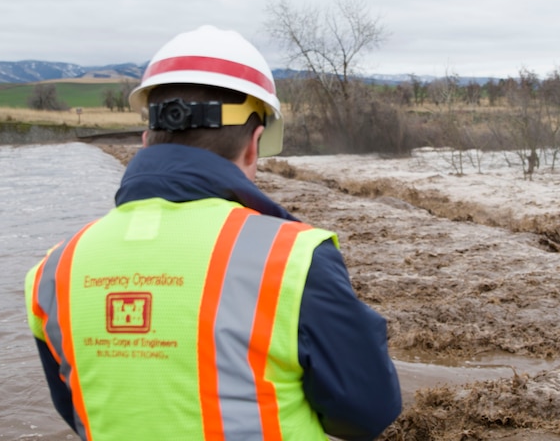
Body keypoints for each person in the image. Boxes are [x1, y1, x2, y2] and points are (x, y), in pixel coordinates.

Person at [24, 25, 402, 440]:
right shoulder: (293, 258)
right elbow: (368, 413)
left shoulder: (52, 271)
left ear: (148, 137)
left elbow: (75, 409)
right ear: (255, 143)